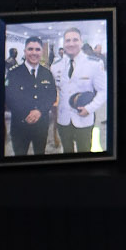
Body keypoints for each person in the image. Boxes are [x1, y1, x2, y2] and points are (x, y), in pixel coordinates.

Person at [50, 25, 108, 154]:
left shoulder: (94, 64)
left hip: (84, 118)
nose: (71, 43)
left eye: (75, 40)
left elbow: (103, 91)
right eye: (68, 40)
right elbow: (54, 90)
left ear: (81, 42)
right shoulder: (56, 66)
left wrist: (90, 108)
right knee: (67, 151)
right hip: (63, 119)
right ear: (64, 44)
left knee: (84, 151)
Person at [6, 36, 58, 158]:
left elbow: (52, 95)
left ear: (41, 52)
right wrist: (26, 114)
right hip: (20, 125)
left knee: (40, 155)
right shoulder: (14, 73)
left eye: (37, 49)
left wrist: (39, 111)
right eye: (30, 49)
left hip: (41, 126)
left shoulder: (47, 73)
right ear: (25, 51)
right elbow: (9, 98)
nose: (34, 52)